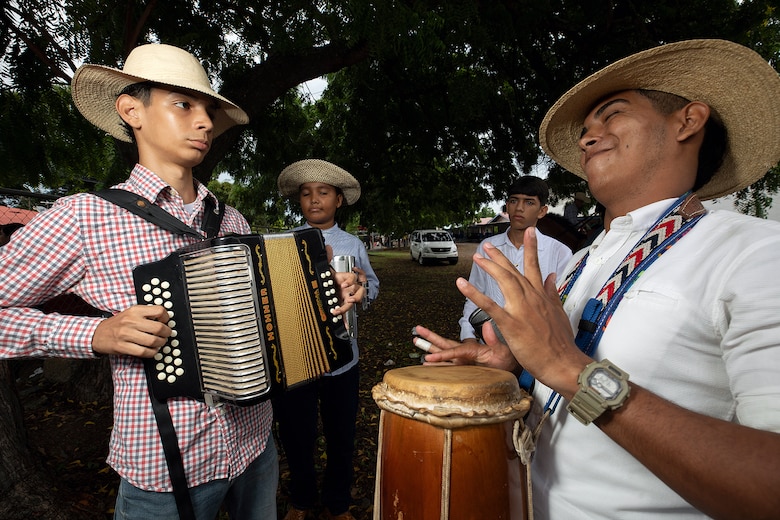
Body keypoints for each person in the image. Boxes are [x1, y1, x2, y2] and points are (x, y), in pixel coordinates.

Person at [415, 39, 780, 519]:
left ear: (687, 121)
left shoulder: (754, 254)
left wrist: (569, 368)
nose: (588, 138)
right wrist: (514, 366)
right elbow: (552, 379)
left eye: (612, 114)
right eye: (586, 130)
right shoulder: (579, 262)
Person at [0, 44, 364, 519]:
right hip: (167, 468)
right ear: (132, 110)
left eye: (209, 109)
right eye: (183, 104)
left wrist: (325, 297)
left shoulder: (231, 220)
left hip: (256, 447)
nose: (206, 122)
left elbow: (266, 319)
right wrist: (93, 334)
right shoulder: (85, 216)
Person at [274, 159, 379, 520]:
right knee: (296, 435)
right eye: (306, 194)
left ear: (338, 200)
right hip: (296, 357)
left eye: (323, 193)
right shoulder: (284, 243)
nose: (314, 200)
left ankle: (338, 504)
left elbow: (373, 285)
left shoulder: (353, 244)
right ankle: (301, 500)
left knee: (341, 436)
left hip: (343, 361)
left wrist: (363, 289)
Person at [458, 176, 571, 343]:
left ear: (542, 211)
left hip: (538, 348)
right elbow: (475, 295)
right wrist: (467, 336)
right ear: (507, 206)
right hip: (491, 345)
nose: (519, 208)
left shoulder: (559, 252)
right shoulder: (488, 247)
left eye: (529, 202)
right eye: (514, 201)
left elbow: (563, 307)